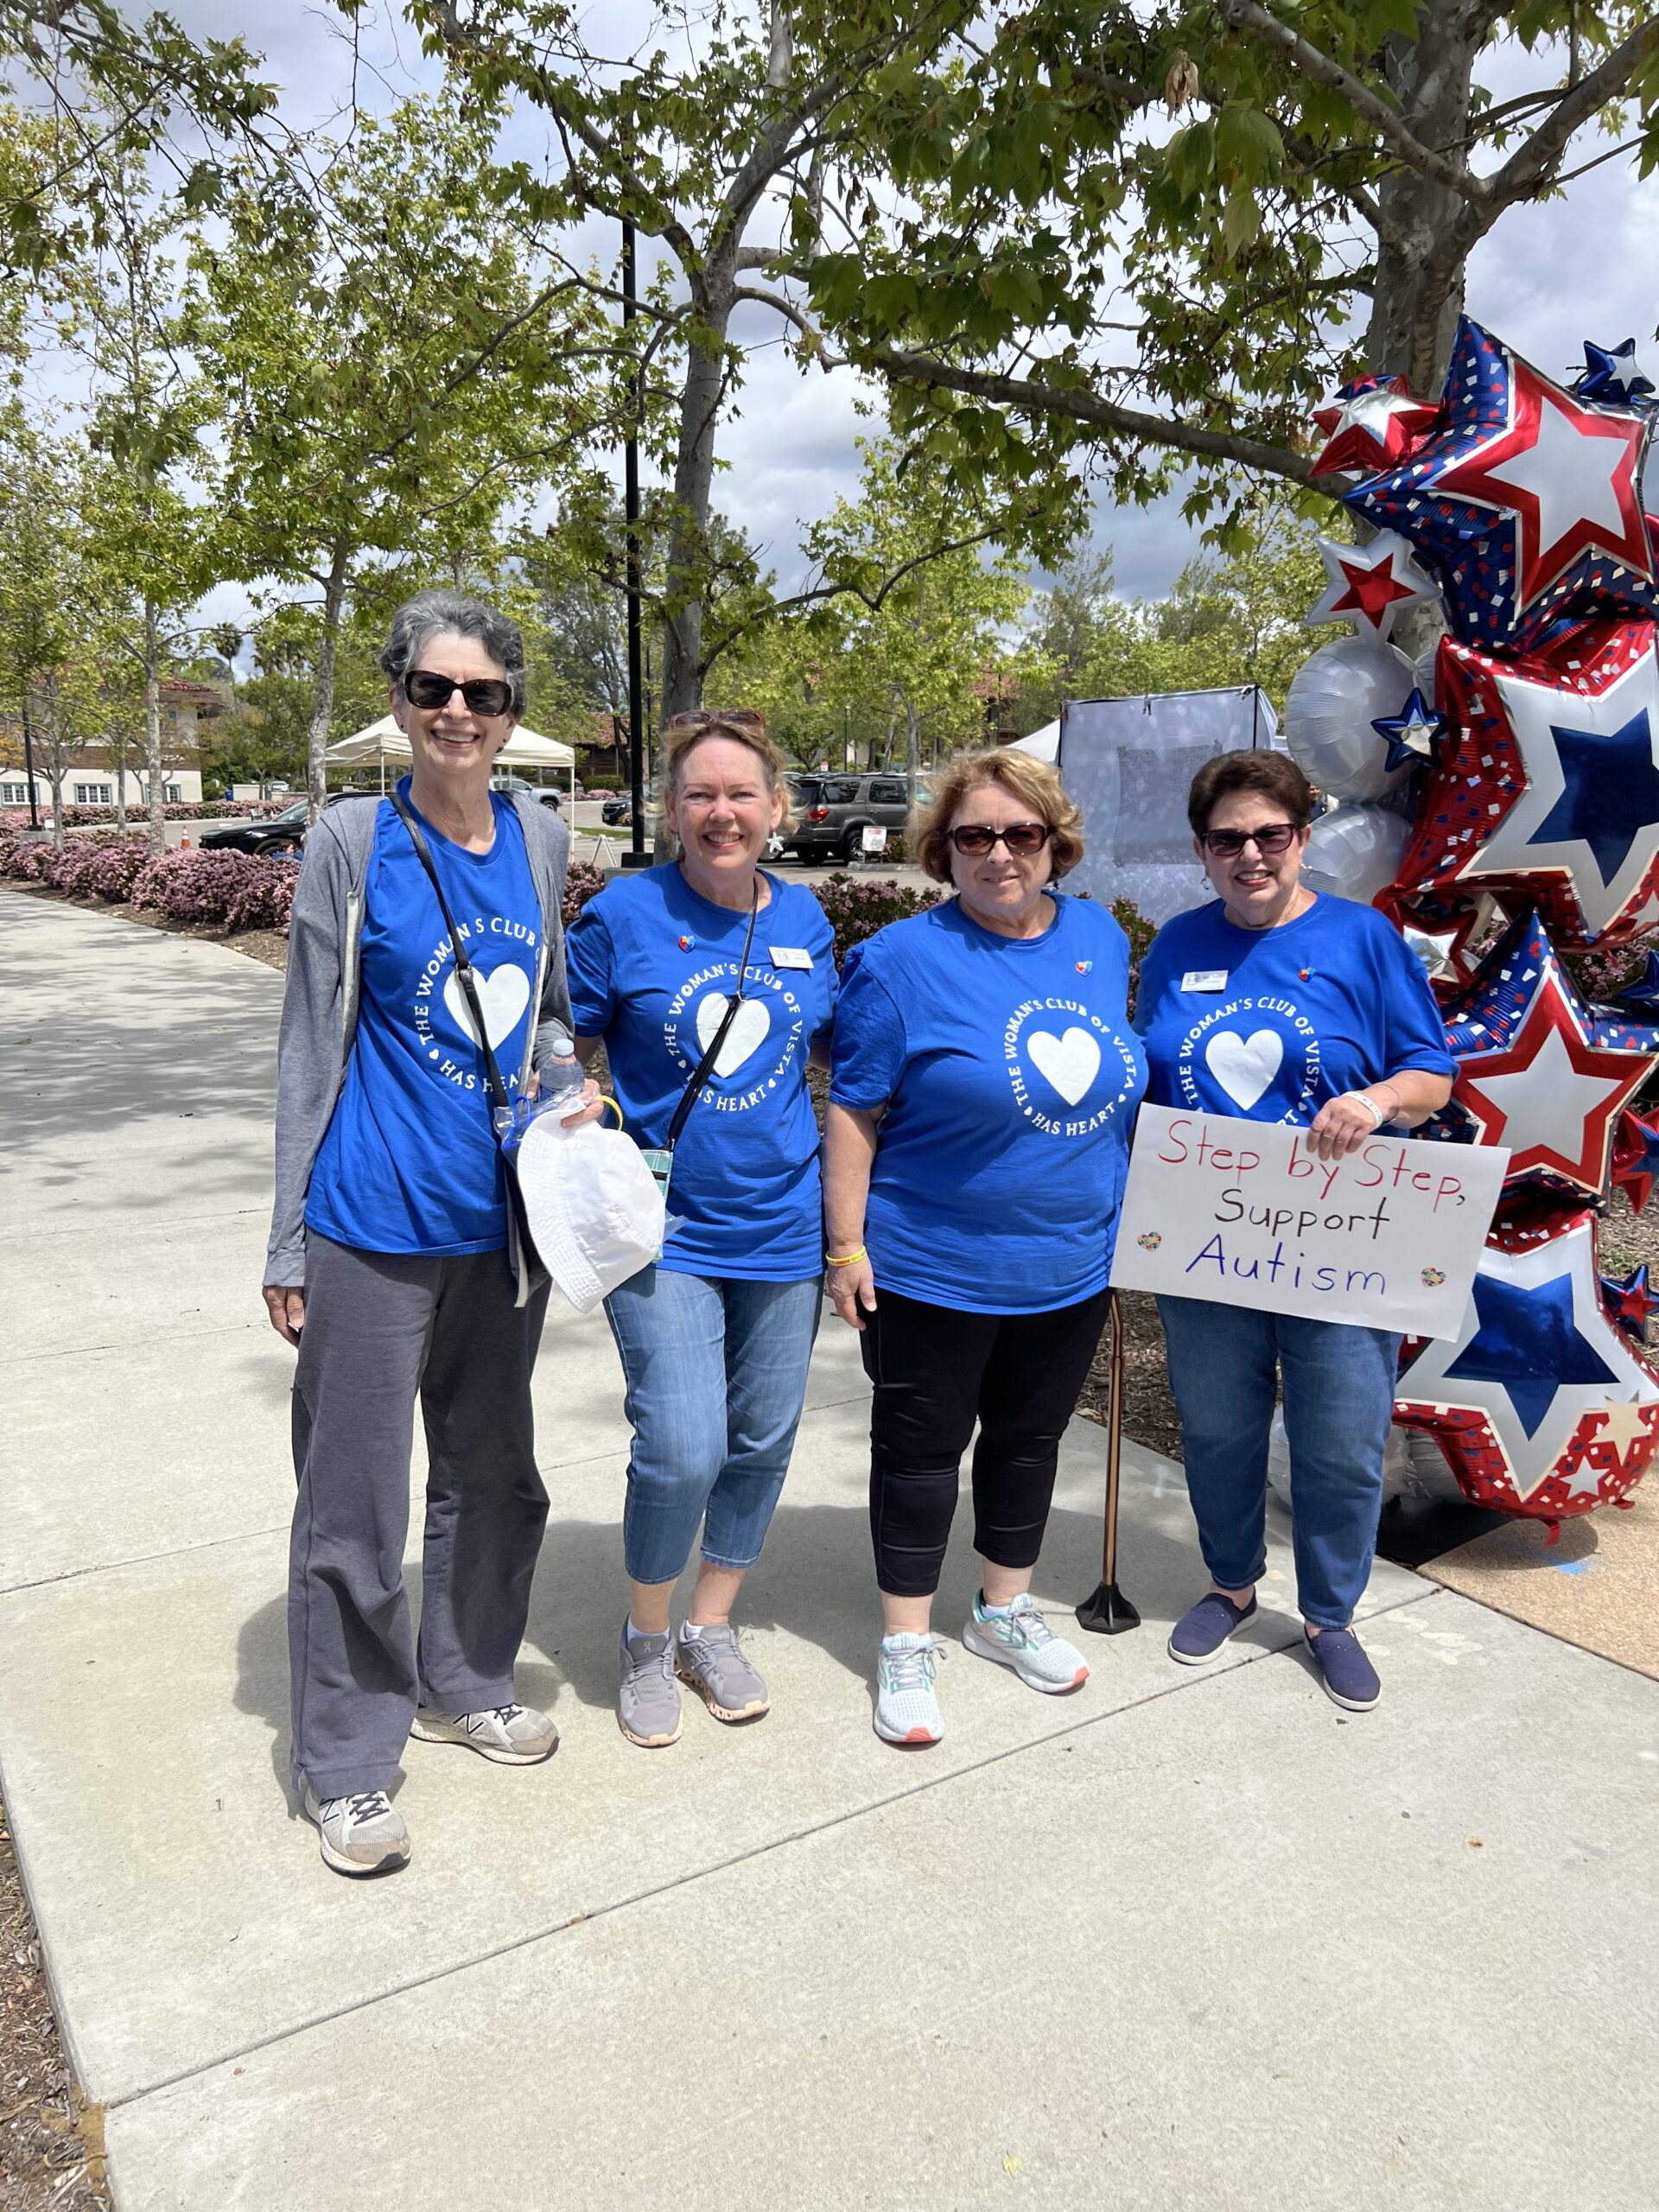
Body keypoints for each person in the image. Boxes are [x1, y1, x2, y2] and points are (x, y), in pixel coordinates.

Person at [263, 589, 600, 1877]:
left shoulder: (539, 834)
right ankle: (346, 1762)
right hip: (368, 1220)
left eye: (485, 694)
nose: (458, 712)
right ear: (402, 698)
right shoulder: (353, 838)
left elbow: (555, 1012)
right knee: (352, 1502)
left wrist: (568, 1081)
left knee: (495, 1476)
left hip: (499, 1232)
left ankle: (468, 1681)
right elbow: (309, 1039)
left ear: (513, 714)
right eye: (434, 689)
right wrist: (287, 1239)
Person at [824, 749, 1146, 1747]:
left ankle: (1002, 1608)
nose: (1001, 853)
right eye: (975, 836)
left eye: (1023, 834)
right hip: (935, 1264)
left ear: (1055, 842)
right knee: (920, 1454)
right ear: (942, 850)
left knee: (1030, 1440)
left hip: (1071, 1260)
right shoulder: (900, 961)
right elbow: (854, 1109)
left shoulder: (1097, 937)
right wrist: (843, 1246)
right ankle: (907, 1641)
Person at [1134, 749, 1455, 1712]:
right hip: (1211, 1237)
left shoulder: (1365, 941)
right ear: (1202, 851)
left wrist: (1379, 1097)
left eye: (1270, 834)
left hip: (1342, 1244)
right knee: (1221, 1427)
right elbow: (1147, 1081)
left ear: (1303, 838)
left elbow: (1432, 1075)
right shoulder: (1176, 947)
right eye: (1228, 839)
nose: (1251, 854)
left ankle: (1330, 1614)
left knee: (1341, 1438)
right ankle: (1232, 1581)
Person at [565, 709, 836, 1748]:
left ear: (777, 807)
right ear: (670, 808)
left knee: (762, 1440)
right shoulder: (626, 914)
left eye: (741, 794)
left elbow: (835, 1054)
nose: (722, 813)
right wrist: (569, 1089)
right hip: (664, 1230)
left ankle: (709, 1626)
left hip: (784, 1225)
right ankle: (644, 1636)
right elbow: (561, 1029)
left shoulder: (806, 920)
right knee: (683, 1444)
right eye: (700, 795)